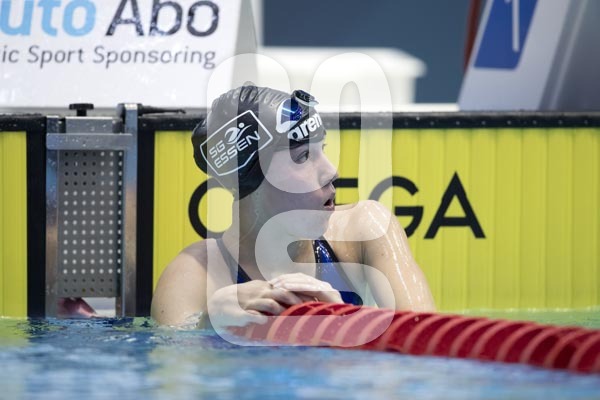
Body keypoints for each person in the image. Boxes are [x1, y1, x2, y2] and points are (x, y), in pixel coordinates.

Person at [151, 85, 435, 329]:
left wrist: (341, 320)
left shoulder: (363, 230)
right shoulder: (196, 275)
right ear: (252, 181)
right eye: (302, 157)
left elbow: (425, 340)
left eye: (322, 149)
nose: (331, 171)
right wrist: (208, 325)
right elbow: (172, 364)